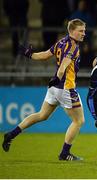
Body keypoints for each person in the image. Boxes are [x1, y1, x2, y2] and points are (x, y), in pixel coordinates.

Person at [2, 19, 86, 161]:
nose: (84, 33)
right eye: (81, 31)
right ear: (72, 31)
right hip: (66, 87)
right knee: (79, 121)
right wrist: (58, 77)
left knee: (42, 115)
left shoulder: (61, 42)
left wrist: (30, 54)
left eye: (84, 30)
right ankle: (65, 153)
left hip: (54, 87)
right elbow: (64, 65)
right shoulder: (73, 47)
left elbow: (45, 55)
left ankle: (11, 134)